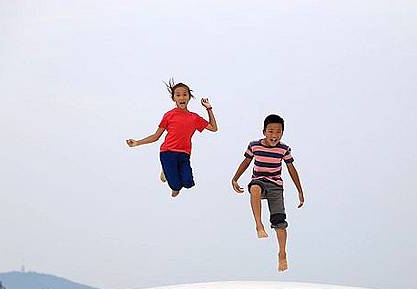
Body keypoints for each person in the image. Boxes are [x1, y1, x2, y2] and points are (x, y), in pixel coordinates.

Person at [231, 114, 304, 271]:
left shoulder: (284, 149)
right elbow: (245, 162)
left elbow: (292, 169)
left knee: (280, 223)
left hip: (276, 186)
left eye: (278, 132)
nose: (274, 135)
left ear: (282, 133)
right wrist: (235, 178)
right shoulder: (254, 146)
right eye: (271, 131)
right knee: (255, 188)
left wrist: (299, 190)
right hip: (259, 181)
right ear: (264, 131)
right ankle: (259, 225)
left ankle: (282, 254)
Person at [126, 80, 218, 197]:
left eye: (184, 94)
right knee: (176, 186)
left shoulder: (194, 118)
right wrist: (137, 142)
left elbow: (214, 128)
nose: (181, 97)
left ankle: (168, 173)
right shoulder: (169, 115)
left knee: (188, 183)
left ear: (189, 97)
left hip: (184, 154)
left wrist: (209, 109)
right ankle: (169, 175)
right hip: (167, 152)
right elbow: (156, 136)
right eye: (178, 95)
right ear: (174, 98)